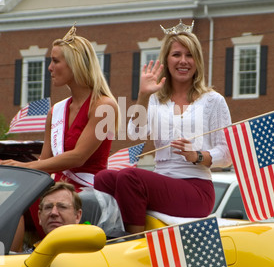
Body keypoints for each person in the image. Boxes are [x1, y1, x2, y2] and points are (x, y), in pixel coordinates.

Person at [94, 20, 232, 233]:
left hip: (196, 188)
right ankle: (109, 235)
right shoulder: (156, 99)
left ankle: (132, 241)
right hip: (162, 182)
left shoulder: (213, 100)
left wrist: (196, 155)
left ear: (198, 61)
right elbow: (136, 133)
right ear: (166, 60)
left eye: (190, 55)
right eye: (176, 54)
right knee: (104, 177)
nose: (183, 61)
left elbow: (226, 154)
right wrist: (143, 95)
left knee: (130, 178)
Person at [2, 25, 119, 237]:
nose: (49, 67)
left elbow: (78, 157)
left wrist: (24, 165)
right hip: (57, 186)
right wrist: (18, 176)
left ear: (75, 65)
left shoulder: (105, 106)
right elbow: (45, 163)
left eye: (56, 61)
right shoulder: (55, 111)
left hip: (88, 190)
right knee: (12, 202)